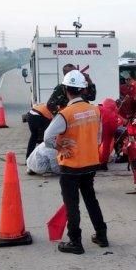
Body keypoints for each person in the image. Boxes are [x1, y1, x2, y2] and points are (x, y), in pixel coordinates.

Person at [44, 70, 107, 254]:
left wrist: (60, 147)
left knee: (72, 205)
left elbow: (47, 137)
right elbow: (99, 137)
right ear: (83, 90)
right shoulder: (95, 110)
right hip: (90, 163)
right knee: (91, 200)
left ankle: (75, 242)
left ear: (65, 90)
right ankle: (101, 235)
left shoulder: (66, 114)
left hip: (71, 166)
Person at [25, 98, 58, 162]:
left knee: (33, 137)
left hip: (30, 115)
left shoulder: (46, 104)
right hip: (39, 117)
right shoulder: (56, 109)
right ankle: (43, 158)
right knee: (46, 138)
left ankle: (28, 158)